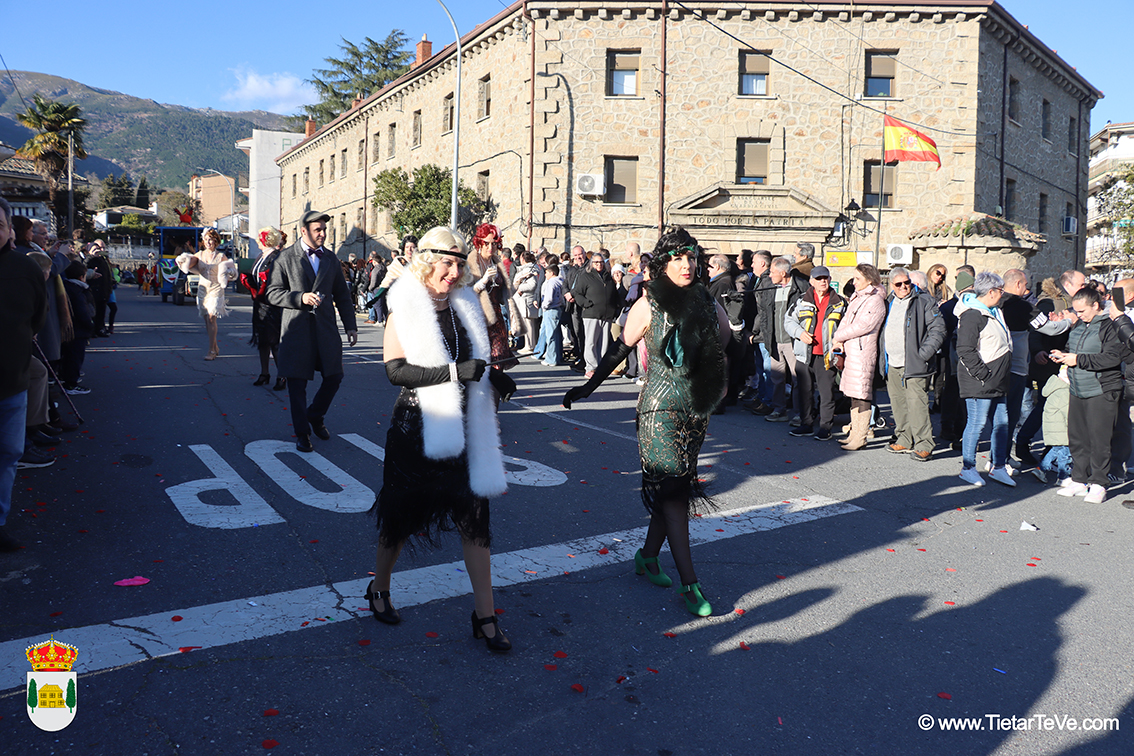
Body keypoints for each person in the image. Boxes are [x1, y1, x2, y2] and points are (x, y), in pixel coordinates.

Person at [562, 227, 728, 617]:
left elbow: (723, 340)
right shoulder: (648, 303)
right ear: (663, 264)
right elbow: (619, 349)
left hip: (694, 413)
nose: (686, 265)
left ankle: (648, 557)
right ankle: (691, 584)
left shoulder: (707, 301)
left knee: (673, 489)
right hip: (659, 409)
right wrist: (587, 387)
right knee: (674, 493)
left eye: (691, 258)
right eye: (677, 259)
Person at [367, 225, 512, 652]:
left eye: (460, 264)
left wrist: (493, 379)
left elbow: (476, 362)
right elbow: (395, 371)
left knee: (476, 519)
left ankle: (485, 615)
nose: (454, 272)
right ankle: (379, 586)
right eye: (447, 263)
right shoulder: (405, 305)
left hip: (466, 428)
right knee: (400, 518)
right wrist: (455, 373)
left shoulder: (465, 304)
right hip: (417, 427)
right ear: (427, 262)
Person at [266, 210, 358, 453]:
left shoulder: (330, 258)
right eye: (318, 230)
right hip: (297, 330)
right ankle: (302, 433)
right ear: (304, 231)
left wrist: (350, 326)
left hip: (325, 329)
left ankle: (315, 415)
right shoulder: (285, 258)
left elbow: (343, 295)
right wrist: (300, 298)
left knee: (334, 376)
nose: (323, 234)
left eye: (324, 230)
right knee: (297, 384)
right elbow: (272, 293)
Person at [0, 197, 48, 551]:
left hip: (11, 382)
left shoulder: (25, 268)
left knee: (7, 455)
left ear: (8, 231)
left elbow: (36, 318)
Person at [1050, 287, 1124, 503]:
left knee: (1099, 439)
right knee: (1077, 437)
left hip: (1101, 390)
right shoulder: (1080, 324)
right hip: (1077, 388)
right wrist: (1063, 355)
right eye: (1076, 311)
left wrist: (1078, 360)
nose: (1078, 315)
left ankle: (1099, 483)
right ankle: (1079, 479)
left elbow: (1112, 358)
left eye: (1082, 311)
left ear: (1096, 305)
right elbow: (1073, 349)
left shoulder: (1110, 326)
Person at [955, 272, 1015, 487]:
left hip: (997, 380)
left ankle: (998, 466)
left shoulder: (995, 311)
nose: (1003, 294)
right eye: (1000, 291)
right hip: (980, 380)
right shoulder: (972, 315)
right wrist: (983, 374)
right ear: (991, 292)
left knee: (1002, 423)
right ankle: (968, 468)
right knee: (977, 423)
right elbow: (965, 349)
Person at [880, 266, 946, 461]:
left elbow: (938, 330)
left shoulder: (924, 301)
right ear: (892, 285)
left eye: (906, 282)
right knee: (898, 403)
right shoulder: (889, 301)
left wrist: (922, 354)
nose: (903, 287)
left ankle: (924, 444)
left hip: (915, 364)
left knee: (917, 404)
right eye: (898, 284)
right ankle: (904, 438)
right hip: (893, 362)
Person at [784, 265, 846, 439]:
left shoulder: (840, 302)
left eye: (825, 278)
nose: (822, 281)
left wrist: (840, 350)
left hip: (826, 355)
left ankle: (825, 428)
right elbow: (788, 321)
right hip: (804, 354)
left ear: (830, 279)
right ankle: (806, 424)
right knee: (804, 392)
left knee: (827, 394)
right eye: (818, 278)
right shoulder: (801, 300)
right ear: (811, 281)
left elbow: (846, 327)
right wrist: (800, 333)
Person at [832, 263, 887, 450]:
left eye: (857, 278)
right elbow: (846, 320)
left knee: (862, 395)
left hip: (863, 353)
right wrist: (838, 340)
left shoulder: (875, 300)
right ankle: (854, 433)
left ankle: (861, 436)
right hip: (852, 351)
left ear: (869, 280)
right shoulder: (858, 297)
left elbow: (863, 325)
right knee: (853, 394)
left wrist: (838, 336)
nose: (854, 282)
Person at [176, 229, 237, 360]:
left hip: (216, 288)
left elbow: (231, 271)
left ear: (216, 241)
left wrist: (230, 273)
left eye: (211, 239)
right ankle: (215, 346)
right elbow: (188, 265)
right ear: (203, 241)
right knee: (206, 320)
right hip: (203, 289)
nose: (208, 242)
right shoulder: (199, 255)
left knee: (211, 317)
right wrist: (182, 260)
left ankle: (211, 351)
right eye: (206, 240)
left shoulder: (221, 256)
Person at [468, 224, 518, 374]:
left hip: (497, 317)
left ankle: (497, 386)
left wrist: (517, 283)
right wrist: (483, 281)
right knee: (483, 360)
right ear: (479, 243)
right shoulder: (471, 264)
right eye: (486, 243)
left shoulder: (496, 262)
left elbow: (505, 293)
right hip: (480, 317)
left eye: (494, 243)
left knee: (499, 358)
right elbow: (467, 293)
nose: (490, 247)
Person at [242, 227, 287, 390]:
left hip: (273, 305)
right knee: (262, 341)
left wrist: (262, 286)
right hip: (260, 303)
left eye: (259, 239)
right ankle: (264, 373)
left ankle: (282, 376)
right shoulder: (262, 256)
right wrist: (249, 282)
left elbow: (278, 280)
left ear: (266, 241)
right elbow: (257, 276)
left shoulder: (276, 257)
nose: (257, 242)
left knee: (274, 342)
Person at [764, 256, 808, 422]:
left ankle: (799, 413)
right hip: (775, 341)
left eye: (772, 272)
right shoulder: (770, 288)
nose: (770, 275)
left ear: (783, 273)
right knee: (777, 378)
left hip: (793, 342)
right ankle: (779, 410)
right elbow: (765, 313)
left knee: (797, 379)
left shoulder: (801, 287)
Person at [572, 251, 618, 377]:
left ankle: (601, 369)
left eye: (601, 262)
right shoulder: (585, 277)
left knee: (604, 344)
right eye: (596, 262)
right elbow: (577, 293)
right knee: (591, 342)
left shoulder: (608, 277)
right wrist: (586, 303)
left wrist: (614, 309)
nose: (599, 264)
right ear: (592, 263)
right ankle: (590, 368)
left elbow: (614, 294)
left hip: (607, 315)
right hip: (591, 314)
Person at [510, 251, 541, 354]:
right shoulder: (527, 268)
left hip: (526, 300)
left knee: (529, 324)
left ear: (523, 259)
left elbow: (532, 284)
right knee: (527, 323)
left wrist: (520, 289)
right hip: (524, 300)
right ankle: (528, 345)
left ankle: (530, 346)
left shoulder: (529, 269)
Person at [534, 263, 565, 366]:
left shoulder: (551, 283)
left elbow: (549, 298)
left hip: (551, 309)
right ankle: (557, 357)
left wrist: (544, 306)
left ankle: (551, 359)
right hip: (558, 308)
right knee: (556, 334)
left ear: (552, 273)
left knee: (550, 335)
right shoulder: (560, 281)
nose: (545, 274)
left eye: (546, 272)